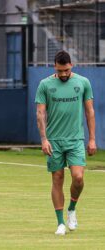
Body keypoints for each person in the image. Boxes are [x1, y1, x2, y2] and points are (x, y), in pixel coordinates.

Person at [35, 50, 96, 235]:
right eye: (60, 70)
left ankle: (72, 208)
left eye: (66, 70)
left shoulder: (83, 82)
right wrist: (44, 139)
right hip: (54, 141)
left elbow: (90, 112)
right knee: (57, 178)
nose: (63, 74)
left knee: (78, 177)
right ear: (54, 66)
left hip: (76, 139)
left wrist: (92, 139)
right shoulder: (44, 84)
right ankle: (60, 222)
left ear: (72, 66)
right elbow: (40, 113)